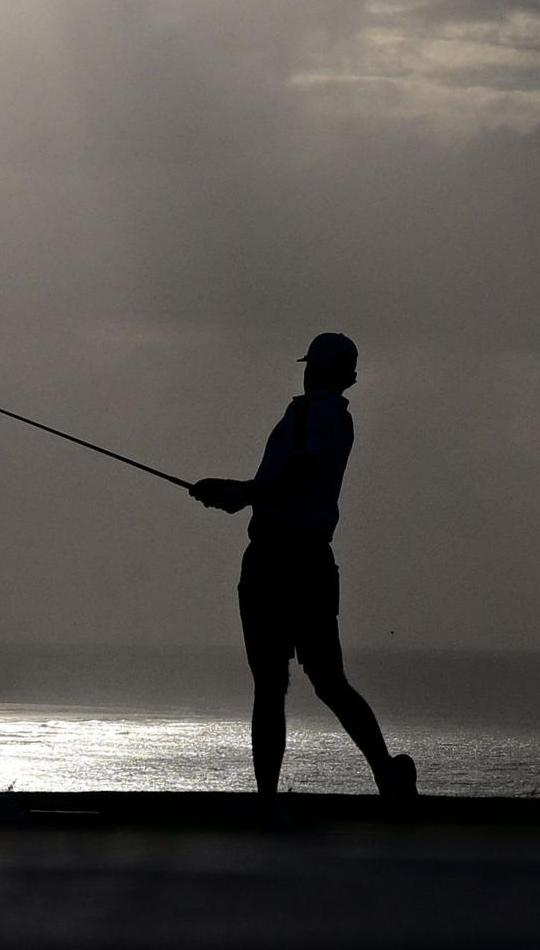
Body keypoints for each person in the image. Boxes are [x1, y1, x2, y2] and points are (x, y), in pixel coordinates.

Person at [188, 333, 419, 801]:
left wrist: (240, 492)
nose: (308, 372)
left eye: (314, 365)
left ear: (325, 371)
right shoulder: (315, 414)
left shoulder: (323, 416)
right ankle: (382, 776)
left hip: (283, 561)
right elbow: (292, 479)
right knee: (319, 682)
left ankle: (271, 799)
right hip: (301, 560)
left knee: (277, 685)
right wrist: (239, 493)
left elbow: (301, 476)